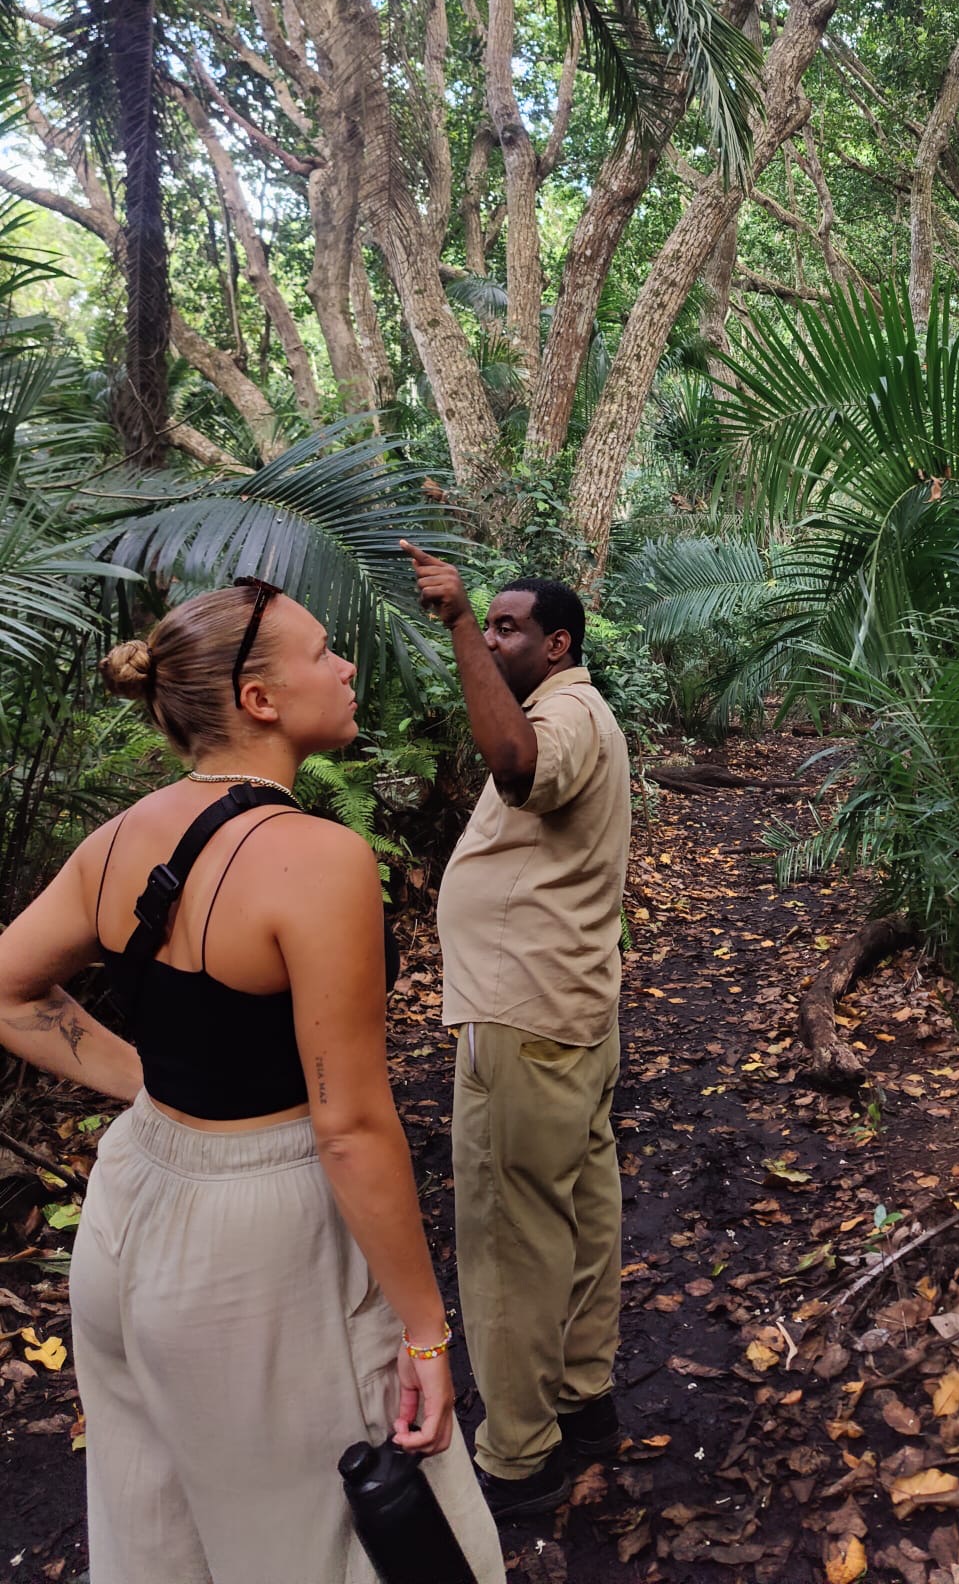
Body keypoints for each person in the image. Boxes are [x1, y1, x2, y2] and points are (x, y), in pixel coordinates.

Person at [0, 581, 504, 1584]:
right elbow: (349, 1125)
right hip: (258, 1247)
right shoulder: (317, 858)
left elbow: (9, 988)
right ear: (259, 699)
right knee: (326, 1541)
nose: (346, 667)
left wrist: (159, 1086)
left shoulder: (120, 837)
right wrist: (425, 1330)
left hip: (129, 1209)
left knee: (159, 1529)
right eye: (323, 652)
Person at [401, 544, 631, 1522]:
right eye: (487, 624)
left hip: (525, 1016)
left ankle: (519, 1455)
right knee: (577, 1212)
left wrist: (457, 619)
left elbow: (517, 769)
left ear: (558, 643)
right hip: (563, 1011)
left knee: (508, 1232)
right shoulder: (573, 708)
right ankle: (582, 1398)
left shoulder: (564, 715)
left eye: (508, 627)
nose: (494, 639)